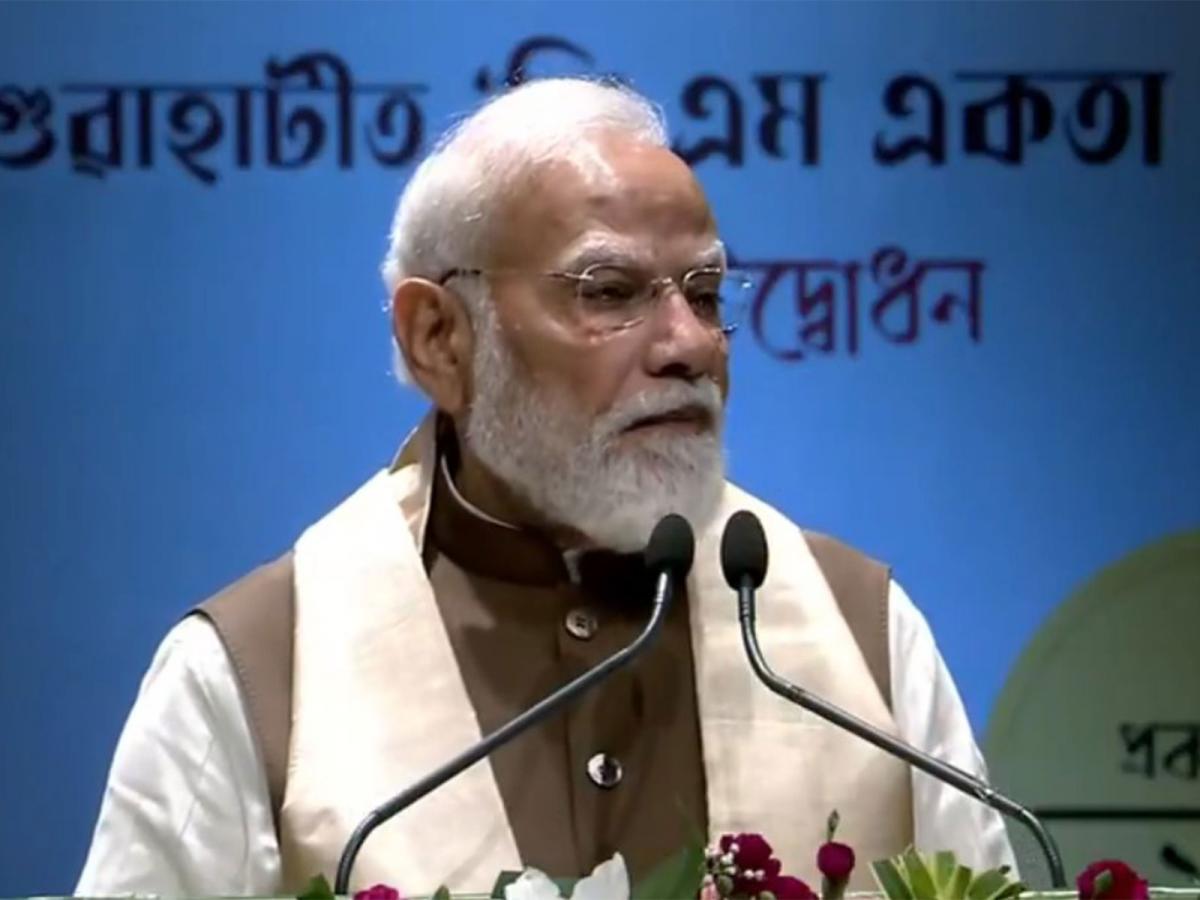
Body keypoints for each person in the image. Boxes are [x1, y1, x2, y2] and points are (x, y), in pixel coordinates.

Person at [76, 77, 1014, 897]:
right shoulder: (254, 671)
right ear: (439, 339)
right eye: (608, 291)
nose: (690, 344)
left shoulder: (861, 637)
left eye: (705, 294)